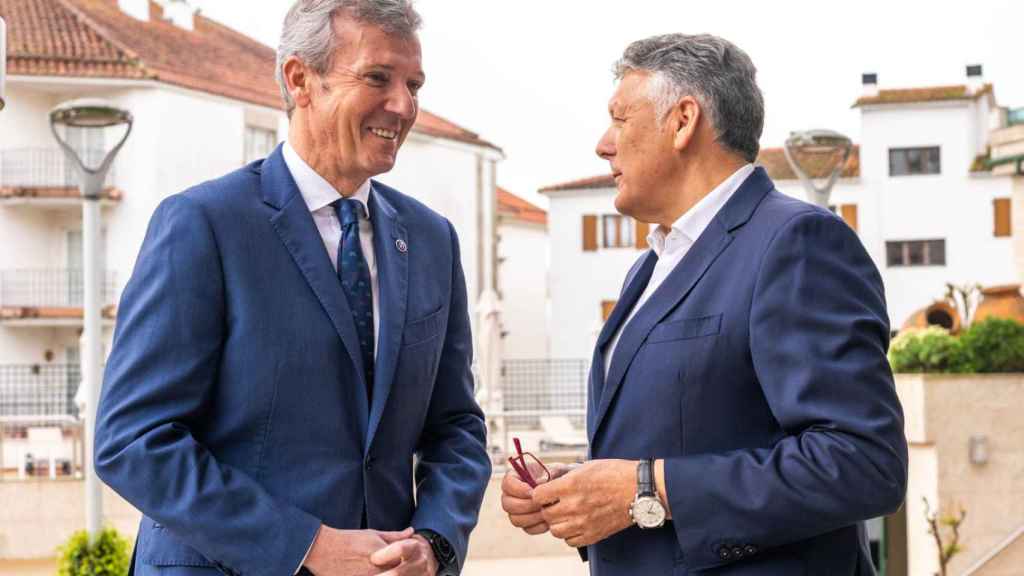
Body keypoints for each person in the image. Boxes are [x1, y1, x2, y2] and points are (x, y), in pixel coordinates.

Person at [95, 1, 489, 575]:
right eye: (378, 78)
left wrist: (434, 541)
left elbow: (455, 427)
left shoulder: (432, 240)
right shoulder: (204, 224)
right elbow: (133, 440)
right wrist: (305, 545)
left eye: (414, 84)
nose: (404, 105)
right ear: (300, 79)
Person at [501, 33, 908, 575]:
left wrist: (646, 487)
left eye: (620, 119)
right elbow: (685, 439)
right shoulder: (650, 267)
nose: (603, 143)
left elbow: (863, 464)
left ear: (683, 120)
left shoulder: (796, 242)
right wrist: (580, 492)